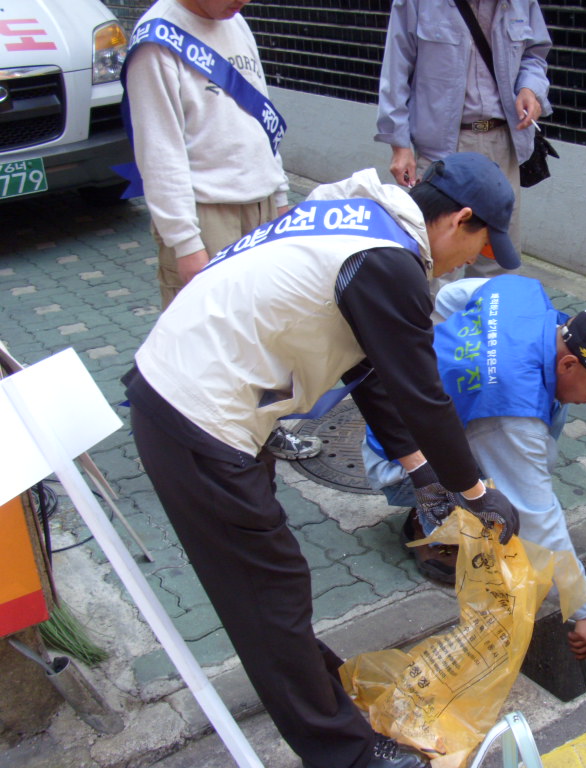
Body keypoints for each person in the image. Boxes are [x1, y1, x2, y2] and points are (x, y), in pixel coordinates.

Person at [123, 152, 525, 768]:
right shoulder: (388, 262)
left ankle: (332, 704)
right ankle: (349, 757)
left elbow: (372, 374)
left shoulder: (365, 221)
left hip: (199, 394)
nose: (473, 259)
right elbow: (422, 395)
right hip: (196, 414)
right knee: (268, 593)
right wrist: (475, 491)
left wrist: (423, 478)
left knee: (270, 586)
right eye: (481, 245)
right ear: (458, 219)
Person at [363, 275, 586, 660]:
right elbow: (537, 519)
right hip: (398, 457)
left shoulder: (523, 293)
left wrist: (440, 353)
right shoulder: (511, 413)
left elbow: (451, 294)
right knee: (512, 475)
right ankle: (432, 524)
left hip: (425, 413)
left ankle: (488, 480)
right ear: (569, 362)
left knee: (543, 417)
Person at [122, 0, 318, 460]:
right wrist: (185, 243)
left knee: (269, 329)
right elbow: (159, 152)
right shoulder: (157, 41)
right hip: (207, 210)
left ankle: (263, 427)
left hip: (261, 203)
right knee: (204, 338)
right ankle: (196, 444)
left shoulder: (235, 20)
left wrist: (281, 195)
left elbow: (261, 119)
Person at [375, 0, 552, 281]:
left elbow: (535, 54)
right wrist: (400, 144)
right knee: (435, 261)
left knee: (497, 260)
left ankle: (493, 311)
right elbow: (396, 70)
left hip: (502, 143)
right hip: (442, 149)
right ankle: (429, 313)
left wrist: (531, 88)